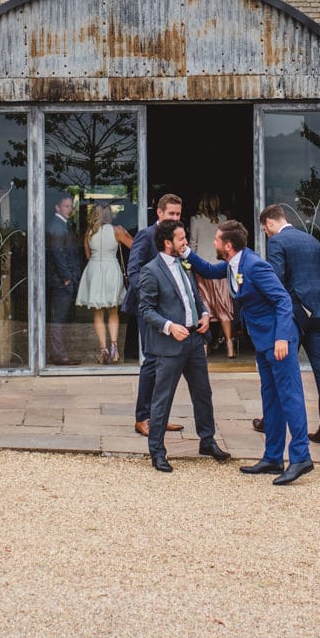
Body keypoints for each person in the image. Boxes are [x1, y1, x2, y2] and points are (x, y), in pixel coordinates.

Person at [188, 219, 312, 485]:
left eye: (217, 239)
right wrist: (185, 251)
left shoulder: (255, 266)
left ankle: (301, 457)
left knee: (290, 398)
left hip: (279, 342)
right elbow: (208, 270)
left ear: (228, 245)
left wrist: (282, 339)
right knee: (271, 400)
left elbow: (282, 299)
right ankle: (273, 457)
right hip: (262, 342)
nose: (213, 242)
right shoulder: (234, 265)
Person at [136, 218, 232, 472]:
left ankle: (207, 440)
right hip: (169, 345)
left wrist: (203, 315)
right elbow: (145, 309)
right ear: (167, 243)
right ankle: (157, 451)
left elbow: (194, 296)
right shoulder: (150, 270)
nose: (185, 242)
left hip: (194, 340)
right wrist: (169, 326)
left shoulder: (185, 264)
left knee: (203, 394)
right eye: (181, 239)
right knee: (162, 399)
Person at [261, 204, 320, 445]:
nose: (266, 233)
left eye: (265, 229)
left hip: (296, 313)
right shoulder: (312, 241)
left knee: (280, 367)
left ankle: (270, 422)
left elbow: (275, 280)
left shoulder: (277, 242)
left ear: (271, 223)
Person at [123, 194, 186, 437]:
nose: (175, 218)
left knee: (167, 364)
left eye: (178, 214)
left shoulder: (178, 238)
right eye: (171, 214)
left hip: (171, 312)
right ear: (159, 213)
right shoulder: (146, 235)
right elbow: (134, 270)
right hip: (147, 309)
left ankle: (159, 417)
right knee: (151, 362)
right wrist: (152, 296)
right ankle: (143, 418)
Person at [77, 203, 132, 363]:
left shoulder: (88, 233)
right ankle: (114, 348)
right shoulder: (117, 231)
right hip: (111, 269)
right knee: (113, 311)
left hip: (93, 270)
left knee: (98, 312)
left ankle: (103, 349)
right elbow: (134, 246)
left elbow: (87, 255)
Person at [186, 195, 236, 358]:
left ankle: (205, 347)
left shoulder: (195, 219)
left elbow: (192, 243)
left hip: (202, 266)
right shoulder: (223, 219)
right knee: (223, 306)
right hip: (220, 266)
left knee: (204, 305)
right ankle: (230, 346)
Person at [43, 193, 83, 366]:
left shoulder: (62, 225)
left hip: (62, 280)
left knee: (59, 317)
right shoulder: (58, 227)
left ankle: (55, 352)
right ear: (57, 207)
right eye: (66, 206)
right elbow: (58, 254)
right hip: (61, 281)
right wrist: (67, 278)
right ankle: (59, 355)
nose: (70, 209)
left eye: (71, 206)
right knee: (58, 318)